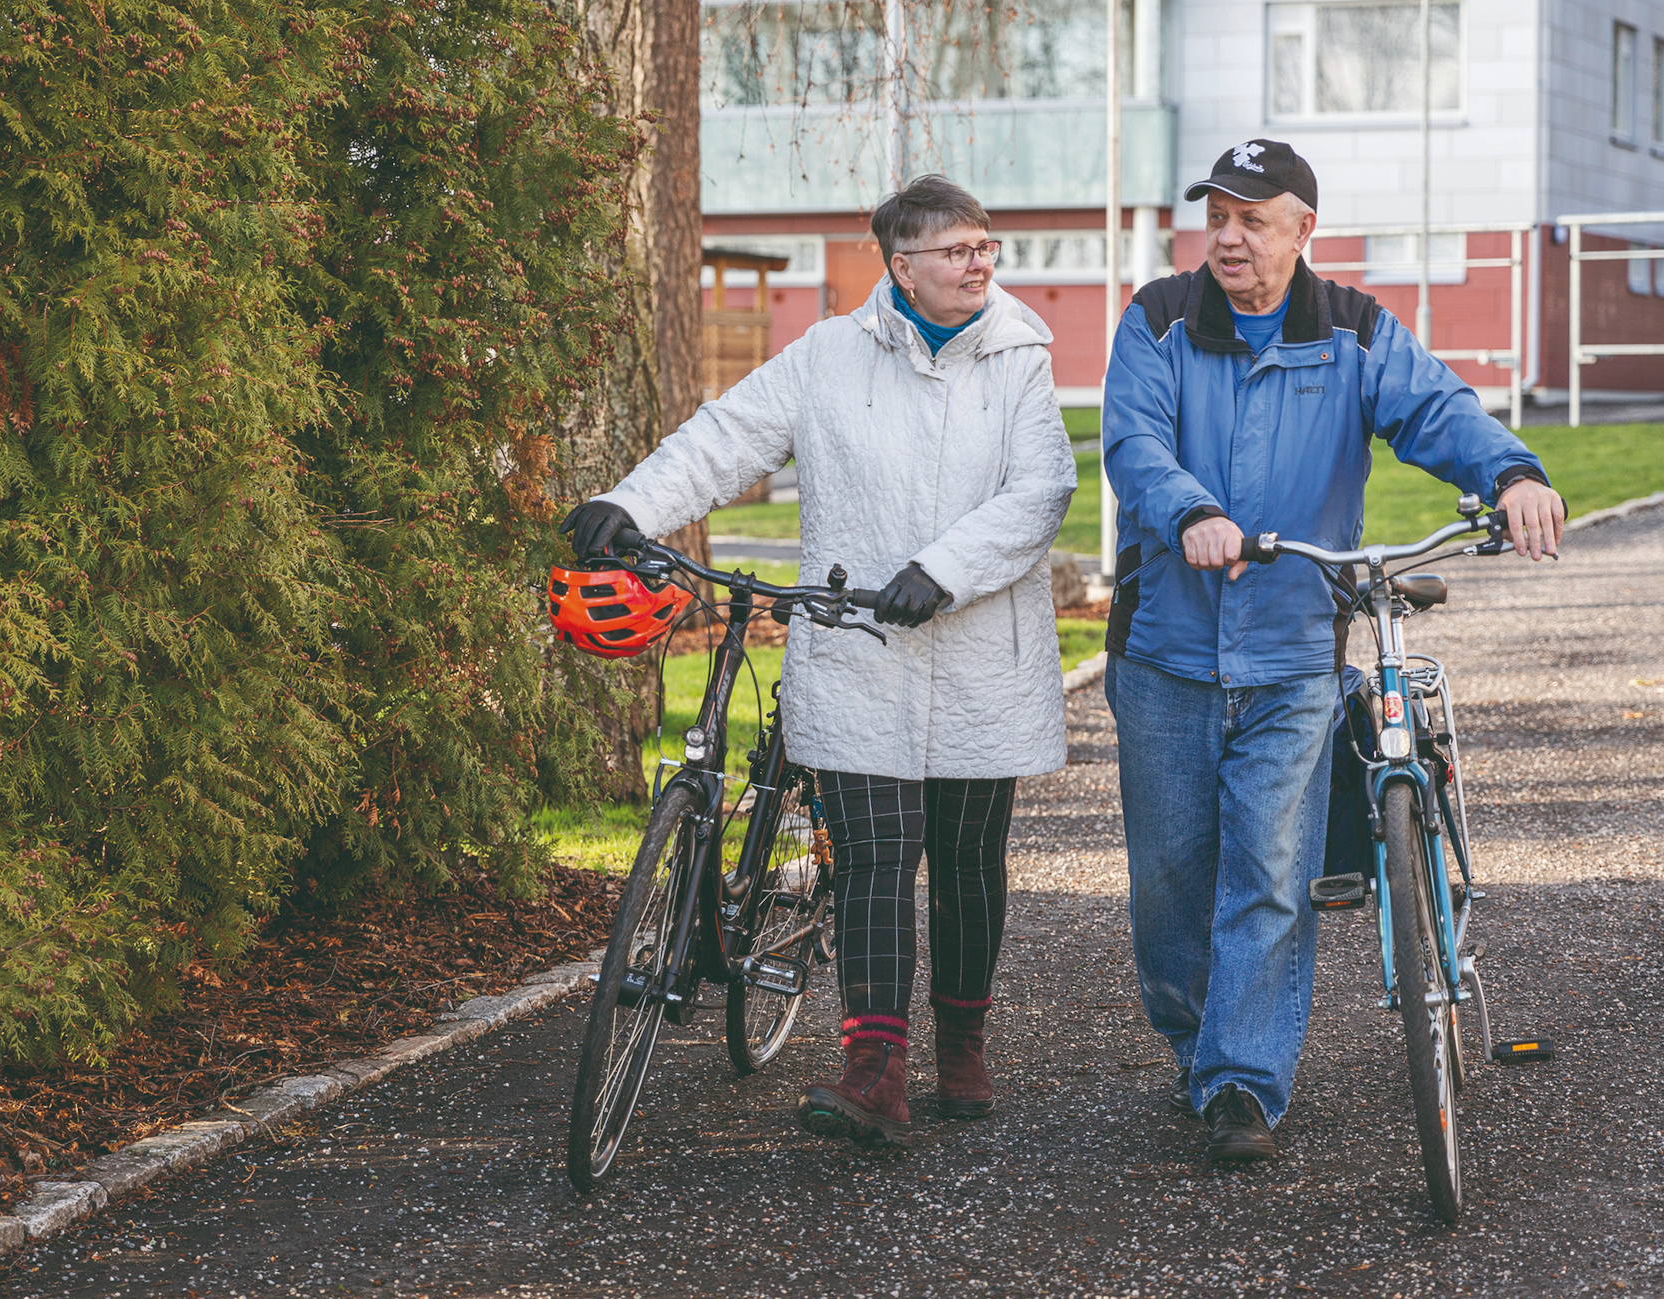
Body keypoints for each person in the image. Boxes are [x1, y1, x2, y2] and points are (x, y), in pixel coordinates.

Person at [560, 175, 1076, 1148]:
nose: (980, 264)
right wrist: (630, 505)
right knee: (876, 861)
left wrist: (945, 569)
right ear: (901, 267)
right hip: (857, 653)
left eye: (984, 247)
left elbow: (1042, 488)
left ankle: (961, 1050)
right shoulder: (830, 356)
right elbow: (726, 437)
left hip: (976, 661)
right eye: (957, 250)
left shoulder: (1017, 357)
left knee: (966, 862)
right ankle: (873, 1070)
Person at [1100, 140, 1565, 1161]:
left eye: (1252, 217)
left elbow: (1434, 409)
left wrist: (1512, 473)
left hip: (1292, 653)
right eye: (1215, 215)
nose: (1228, 235)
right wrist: (1188, 511)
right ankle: (1196, 1047)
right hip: (1166, 655)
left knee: (1269, 873)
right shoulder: (1158, 318)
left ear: (1301, 229)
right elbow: (1133, 445)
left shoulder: (1352, 331)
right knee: (1169, 889)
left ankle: (1241, 1086)